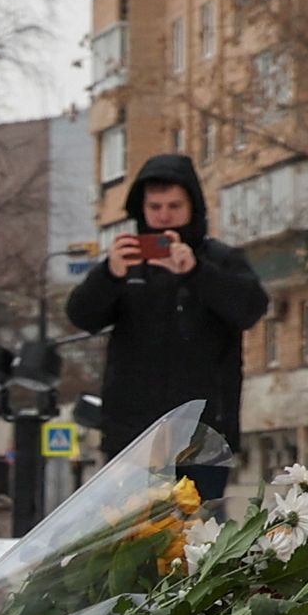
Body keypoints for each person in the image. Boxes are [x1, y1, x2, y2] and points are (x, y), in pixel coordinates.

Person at [66, 152, 268, 505]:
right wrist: (110, 275)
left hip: (203, 435)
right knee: (128, 539)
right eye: (154, 206)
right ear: (140, 209)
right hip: (132, 435)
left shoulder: (220, 260)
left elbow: (251, 308)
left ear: (193, 206)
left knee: (198, 541)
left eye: (174, 205)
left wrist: (195, 273)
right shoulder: (126, 265)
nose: (163, 216)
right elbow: (82, 316)